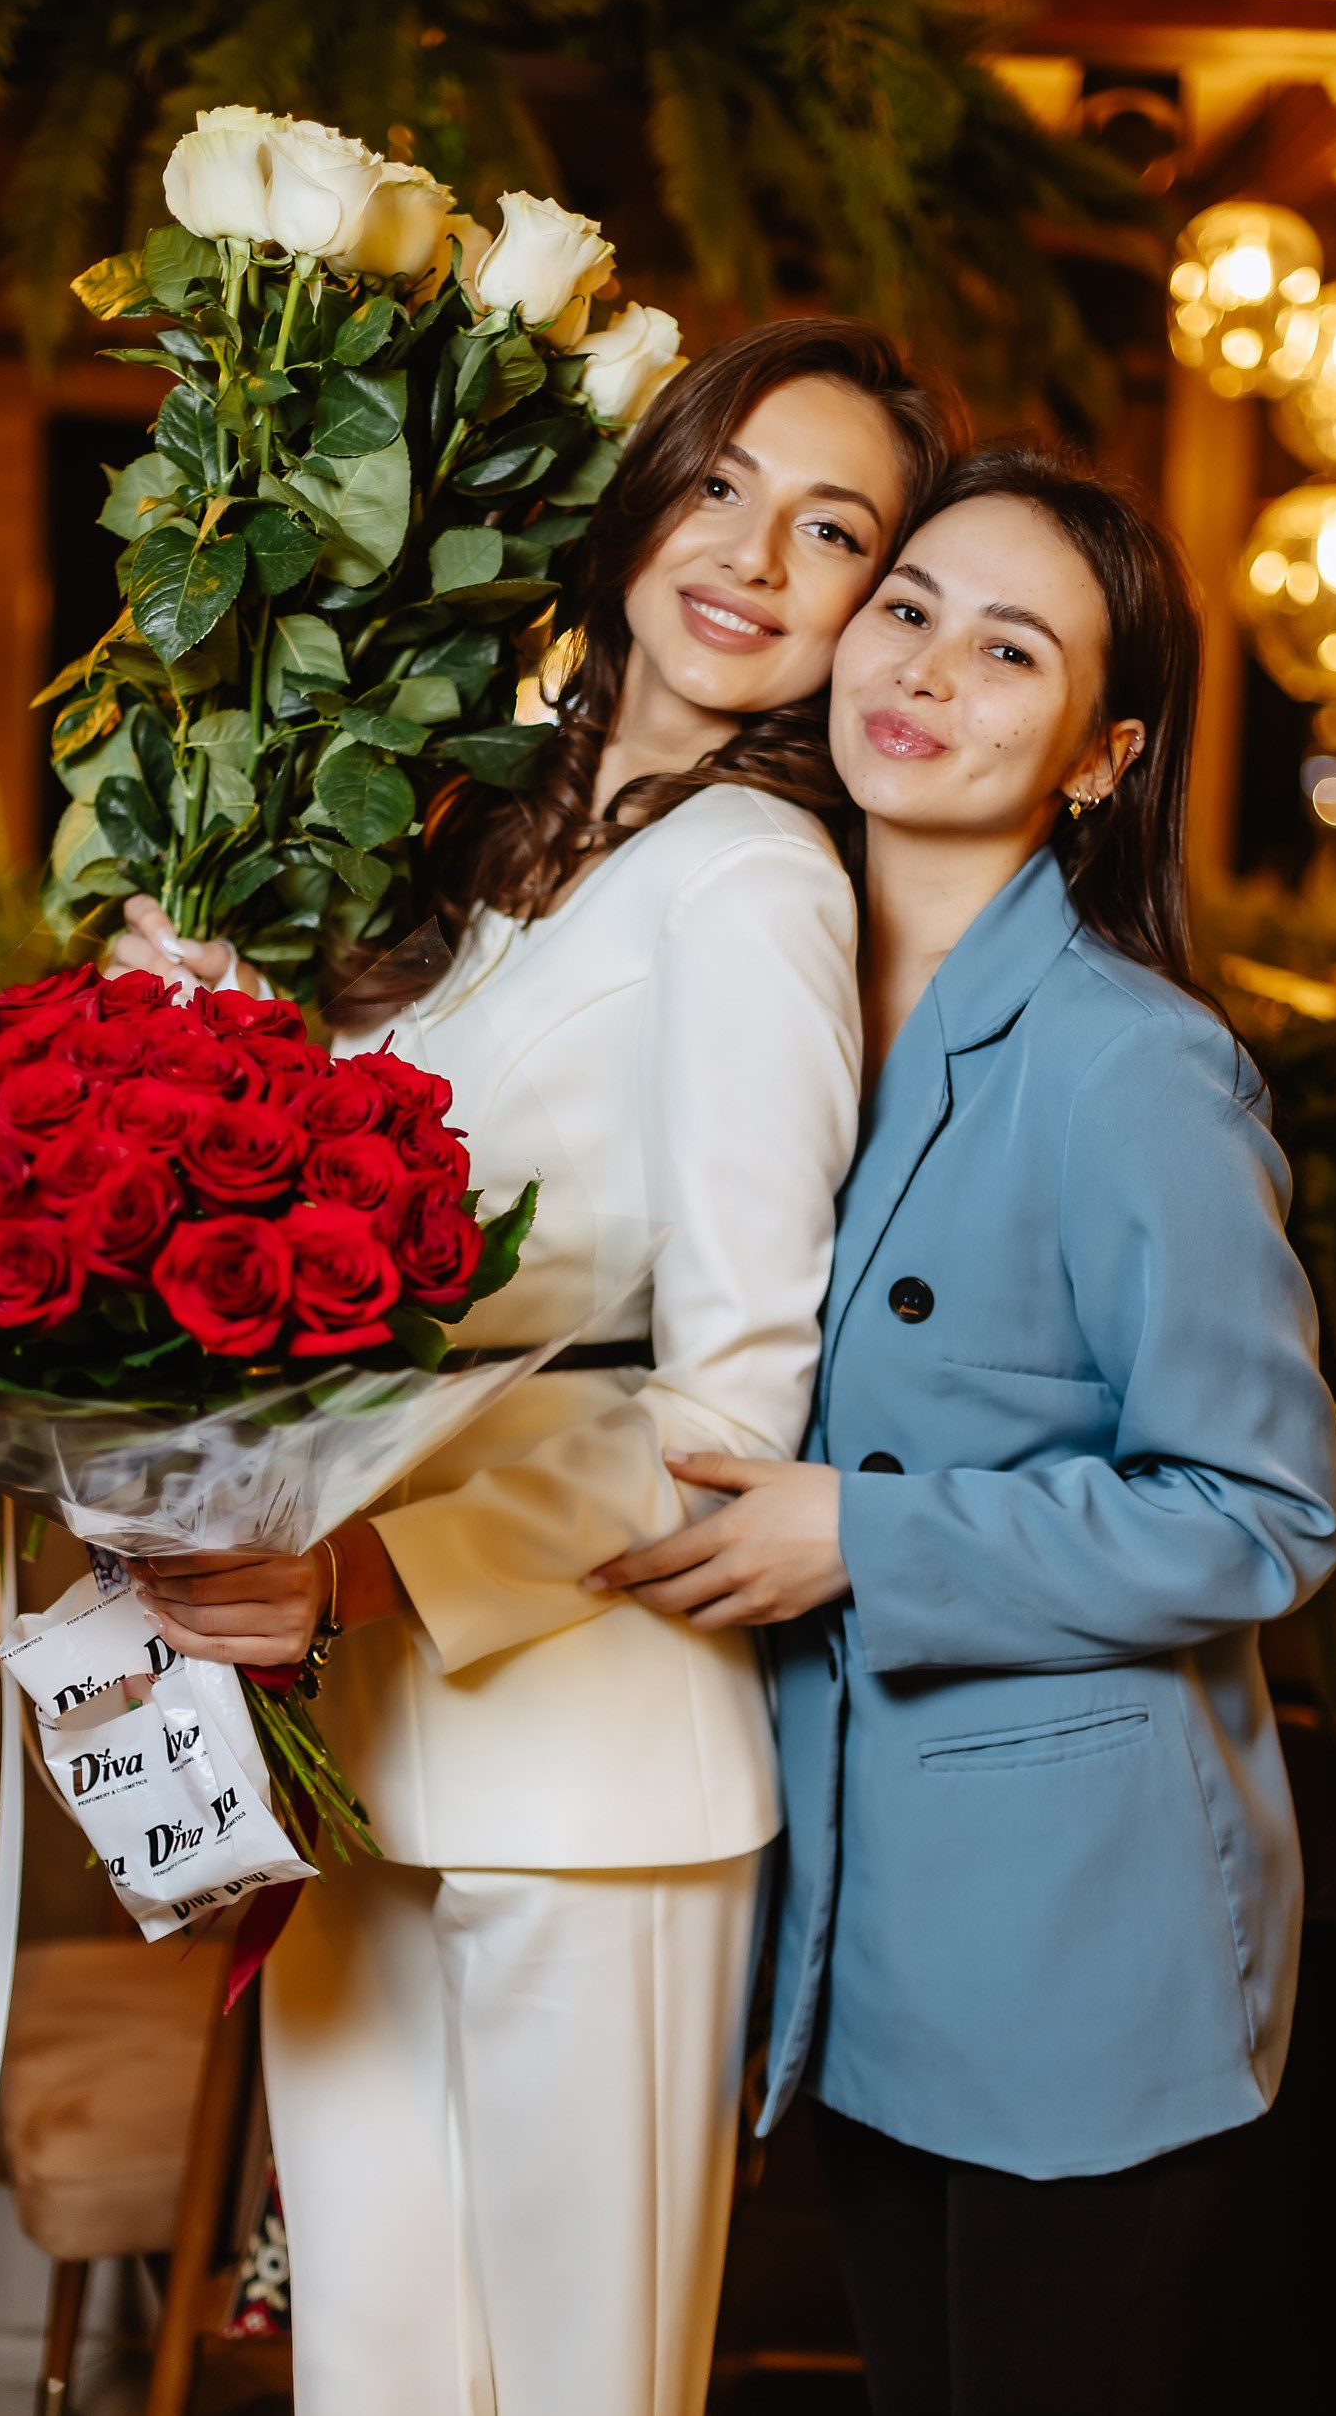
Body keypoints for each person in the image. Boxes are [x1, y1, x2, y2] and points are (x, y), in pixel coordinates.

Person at [113, 321, 960, 2416]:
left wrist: (371, 1574)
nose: (752, 552)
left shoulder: (757, 884)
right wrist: (206, 1039)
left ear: (877, 604)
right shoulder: (482, 837)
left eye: (832, 528)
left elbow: (731, 1411)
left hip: (592, 1772)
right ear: (643, 495)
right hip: (355, 1747)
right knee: (376, 2373)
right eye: (723, 484)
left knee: (580, 2386)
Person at [593, 446, 1336, 2416]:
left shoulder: (1131, 1064)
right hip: (859, 1928)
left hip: (1079, 1948)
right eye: (908, 608)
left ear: (1102, 755)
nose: (924, 667)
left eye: (1010, 650)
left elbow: (1263, 1511)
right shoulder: (775, 985)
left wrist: (870, 1533)